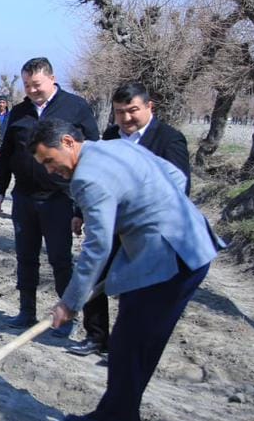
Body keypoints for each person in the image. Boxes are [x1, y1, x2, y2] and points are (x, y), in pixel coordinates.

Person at [30, 118, 221, 421]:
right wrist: (155, 210)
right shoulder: (116, 146)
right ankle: (108, 415)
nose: (50, 170)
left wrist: (69, 303)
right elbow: (175, 177)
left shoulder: (87, 178)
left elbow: (97, 248)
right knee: (124, 344)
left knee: (132, 348)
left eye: (49, 160)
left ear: (68, 142)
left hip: (171, 260)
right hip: (187, 241)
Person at [69, 82, 191, 358]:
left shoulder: (169, 139)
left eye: (132, 110)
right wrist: (79, 212)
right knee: (95, 275)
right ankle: (96, 337)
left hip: (147, 232)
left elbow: (180, 187)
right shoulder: (111, 136)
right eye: (119, 111)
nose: (125, 118)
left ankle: (127, 347)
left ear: (149, 107)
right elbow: (97, 176)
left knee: (136, 290)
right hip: (112, 224)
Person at [0, 57, 99, 334]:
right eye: (27, 85)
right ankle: (26, 311)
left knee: (60, 259)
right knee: (25, 257)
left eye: (36, 84)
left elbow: (92, 152)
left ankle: (67, 318)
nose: (31, 90)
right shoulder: (19, 112)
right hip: (24, 197)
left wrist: (81, 206)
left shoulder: (75, 107)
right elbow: (7, 153)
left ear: (52, 78)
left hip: (59, 198)